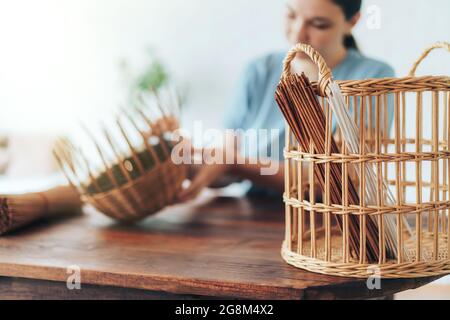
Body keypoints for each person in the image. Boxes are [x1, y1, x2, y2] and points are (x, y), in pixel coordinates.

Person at [177, 0, 395, 202]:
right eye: (291, 15)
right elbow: (222, 171)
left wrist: (233, 162)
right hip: (253, 216)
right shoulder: (258, 71)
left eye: (319, 24)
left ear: (352, 22)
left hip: (331, 226)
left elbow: (337, 179)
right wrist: (188, 158)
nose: (298, 34)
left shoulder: (372, 77)